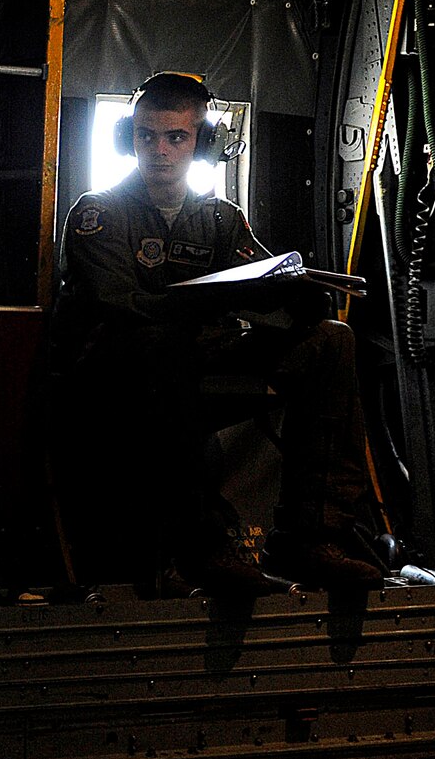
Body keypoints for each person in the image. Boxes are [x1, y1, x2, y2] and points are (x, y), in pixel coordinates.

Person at [49, 71, 385, 596]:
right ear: (128, 139)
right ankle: (201, 549)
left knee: (332, 340)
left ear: (202, 143)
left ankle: (311, 538)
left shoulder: (221, 219)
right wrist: (210, 313)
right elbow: (121, 308)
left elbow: (257, 284)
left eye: (176, 137)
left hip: (197, 352)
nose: (159, 150)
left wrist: (297, 301)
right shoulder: (99, 213)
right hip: (118, 371)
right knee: (162, 343)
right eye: (146, 136)